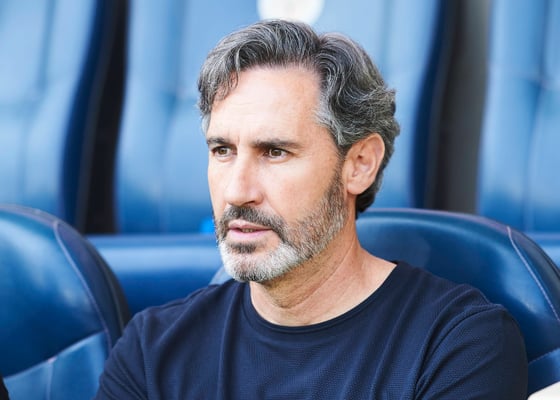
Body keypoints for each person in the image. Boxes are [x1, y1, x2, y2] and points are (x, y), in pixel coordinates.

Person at [94, 19, 528, 399]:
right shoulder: (151, 350)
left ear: (359, 164)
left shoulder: (457, 344)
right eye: (222, 150)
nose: (237, 191)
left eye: (275, 152)